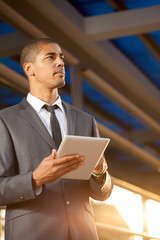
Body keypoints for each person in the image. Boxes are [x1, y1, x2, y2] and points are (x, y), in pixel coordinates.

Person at [0, 38, 113, 240]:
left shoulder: (86, 120)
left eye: (61, 57)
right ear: (29, 69)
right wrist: (35, 179)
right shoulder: (5, 120)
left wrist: (99, 173)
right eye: (50, 57)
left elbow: (103, 193)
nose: (61, 63)